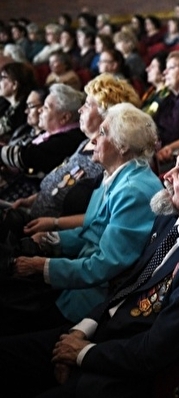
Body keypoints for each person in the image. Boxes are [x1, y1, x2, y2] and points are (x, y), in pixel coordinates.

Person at [0, 140, 179, 398]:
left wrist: (81, 354)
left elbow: (156, 349)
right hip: (102, 332)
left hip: (125, 369)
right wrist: (80, 330)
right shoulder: (171, 218)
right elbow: (127, 285)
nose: (166, 175)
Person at [0, 103, 163, 336]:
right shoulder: (114, 176)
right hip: (74, 278)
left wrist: (42, 265)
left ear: (124, 146)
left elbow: (104, 265)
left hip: (90, 300)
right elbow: (92, 229)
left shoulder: (134, 190)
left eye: (103, 133)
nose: (94, 139)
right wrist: (50, 240)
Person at [2, 74, 142, 243]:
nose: (80, 110)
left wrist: (54, 223)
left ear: (108, 115)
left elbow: (99, 216)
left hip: (55, 239)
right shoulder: (84, 142)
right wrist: (32, 200)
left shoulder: (109, 158)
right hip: (33, 217)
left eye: (88, 105)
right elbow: (62, 181)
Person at [0, 84, 86, 197]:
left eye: (46, 107)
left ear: (65, 118)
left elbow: (29, 157)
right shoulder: (49, 133)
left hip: (33, 195)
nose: (40, 110)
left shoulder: (68, 139)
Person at [0, 62, 37, 143]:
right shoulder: (5, 105)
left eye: (2, 78)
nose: (0, 82)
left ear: (14, 84)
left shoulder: (24, 112)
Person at [141, 51, 169, 116]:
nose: (147, 69)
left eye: (153, 67)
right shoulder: (151, 91)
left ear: (163, 73)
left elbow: (149, 115)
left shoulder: (165, 94)